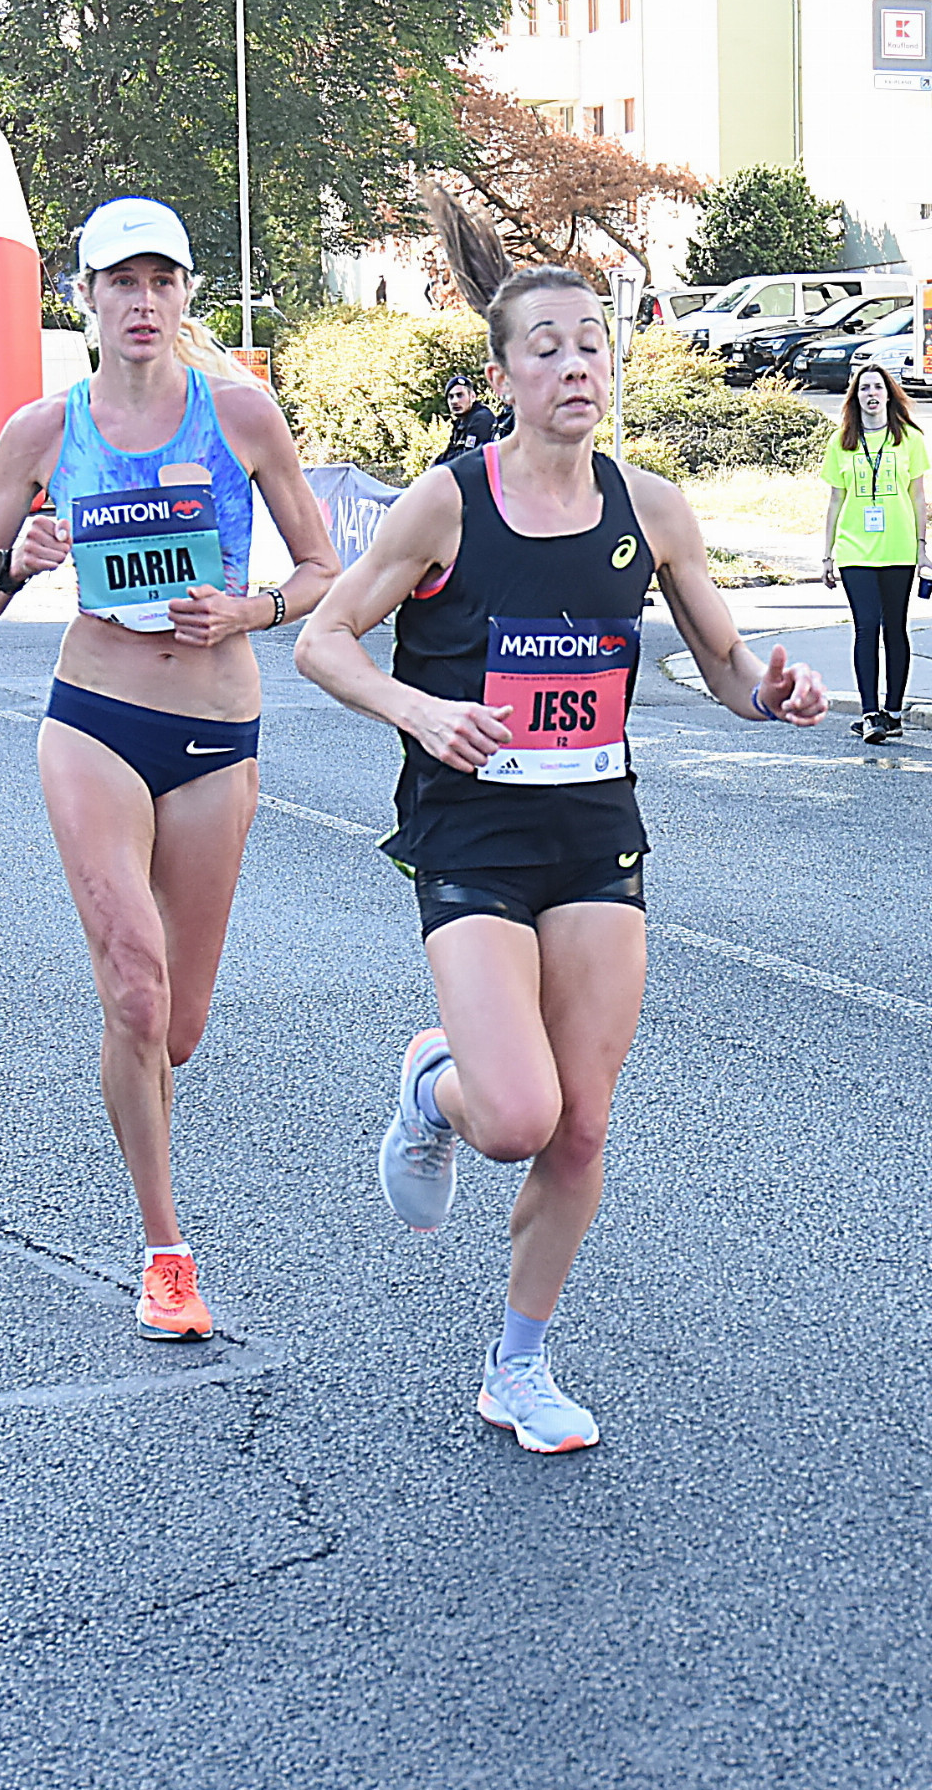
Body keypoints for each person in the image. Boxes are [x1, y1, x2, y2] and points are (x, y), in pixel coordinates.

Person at [294, 214, 827, 1455]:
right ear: (503, 376)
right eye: (548, 347)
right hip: (470, 835)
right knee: (517, 1119)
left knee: (582, 1123)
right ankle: (435, 1085)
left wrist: (772, 694)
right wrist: (423, 711)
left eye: (593, 343)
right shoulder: (446, 504)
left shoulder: (653, 509)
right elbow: (323, 640)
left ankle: (518, 1368)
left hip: (594, 832)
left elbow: (723, 665)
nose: (577, 364)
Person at [0, 198, 338, 1342]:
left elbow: (322, 569)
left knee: (180, 1027)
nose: (144, 302)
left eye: (163, 281)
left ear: (185, 296)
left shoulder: (240, 412)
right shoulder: (42, 432)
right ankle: (167, 1251)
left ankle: (145, 1110)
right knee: (134, 987)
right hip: (96, 720)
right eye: (123, 282)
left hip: (215, 732)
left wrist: (251, 609)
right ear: (86, 298)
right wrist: (14, 565)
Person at [819, 364, 932, 743]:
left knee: (895, 628)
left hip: (899, 547)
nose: (871, 394)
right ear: (855, 398)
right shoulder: (842, 441)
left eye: (878, 388)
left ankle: (894, 712)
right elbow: (835, 501)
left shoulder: (909, 439)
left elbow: (918, 497)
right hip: (855, 550)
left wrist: (922, 548)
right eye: (864, 388)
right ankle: (870, 713)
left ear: (889, 395)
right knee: (866, 626)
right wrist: (827, 555)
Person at [432, 373, 502, 467]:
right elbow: (451, 451)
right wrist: (435, 463)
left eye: (460, 395)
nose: (455, 401)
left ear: (472, 397)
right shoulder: (461, 421)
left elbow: (470, 458)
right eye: (451, 397)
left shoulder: (481, 418)